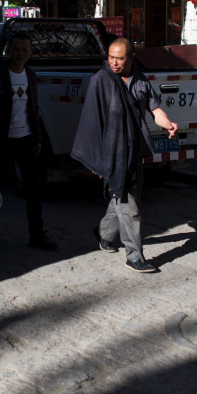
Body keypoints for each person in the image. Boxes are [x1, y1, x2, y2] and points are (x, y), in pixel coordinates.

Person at [71, 37, 177, 273]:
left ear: (131, 58)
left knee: (124, 195)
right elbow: (92, 120)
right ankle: (134, 256)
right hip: (112, 151)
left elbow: (154, 108)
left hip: (133, 149)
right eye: (111, 57)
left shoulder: (140, 80)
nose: (114, 63)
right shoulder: (101, 80)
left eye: (120, 58)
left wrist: (167, 123)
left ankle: (104, 234)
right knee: (129, 205)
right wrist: (96, 159)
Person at [0, 32, 57, 251]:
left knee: (34, 190)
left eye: (24, 50)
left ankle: (36, 234)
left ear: (30, 53)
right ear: (9, 50)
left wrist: (37, 137)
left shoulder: (30, 74)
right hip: (2, 141)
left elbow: (33, 108)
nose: (19, 53)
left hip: (26, 140)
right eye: (16, 49)